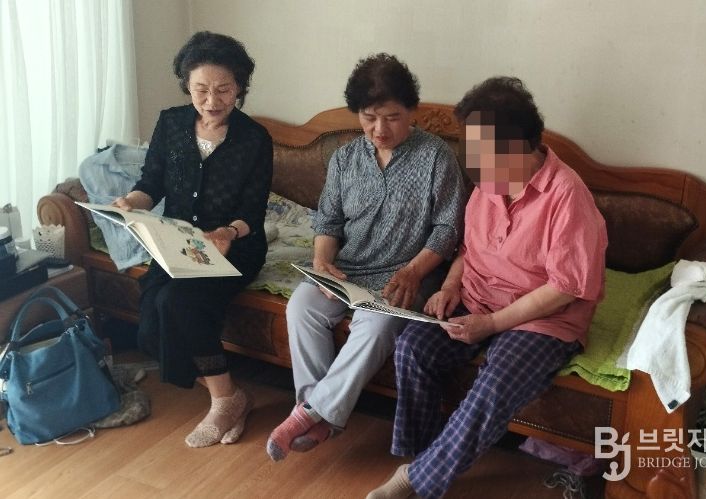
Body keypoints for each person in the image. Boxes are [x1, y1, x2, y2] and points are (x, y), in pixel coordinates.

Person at [367, 77, 608, 499]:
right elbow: (469, 248)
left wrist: (493, 324)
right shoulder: (487, 182)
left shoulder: (566, 195)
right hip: (478, 298)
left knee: (497, 379)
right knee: (413, 348)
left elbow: (565, 288)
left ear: (525, 146)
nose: (481, 165)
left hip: (541, 316)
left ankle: (415, 481)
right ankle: (424, 456)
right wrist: (451, 286)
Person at [265, 53, 467, 461]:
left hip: (407, 274)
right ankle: (317, 414)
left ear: (412, 111)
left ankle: (309, 414)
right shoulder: (345, 158)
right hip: (350, 268)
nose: (380, 129)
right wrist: (322, 262)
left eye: (392, 117)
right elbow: (329, 220)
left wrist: (413, 271)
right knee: (302, 306)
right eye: (369, 118)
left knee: (376, 326)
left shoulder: (436, 157)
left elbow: (448, 229)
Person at [112, 31, 273, 448]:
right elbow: (151, 184)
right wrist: (131, 202)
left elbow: (252, 212)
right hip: (178, 244)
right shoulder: (171, 123)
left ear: (240, 87)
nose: (212, 100)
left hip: (234, 247)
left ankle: (223, 401)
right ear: (187, 85)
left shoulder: (255, 138)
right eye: (201, 89)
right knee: (149, 326)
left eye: (224, 89)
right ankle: (232, 394)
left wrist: (227, 232)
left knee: (179, 303)